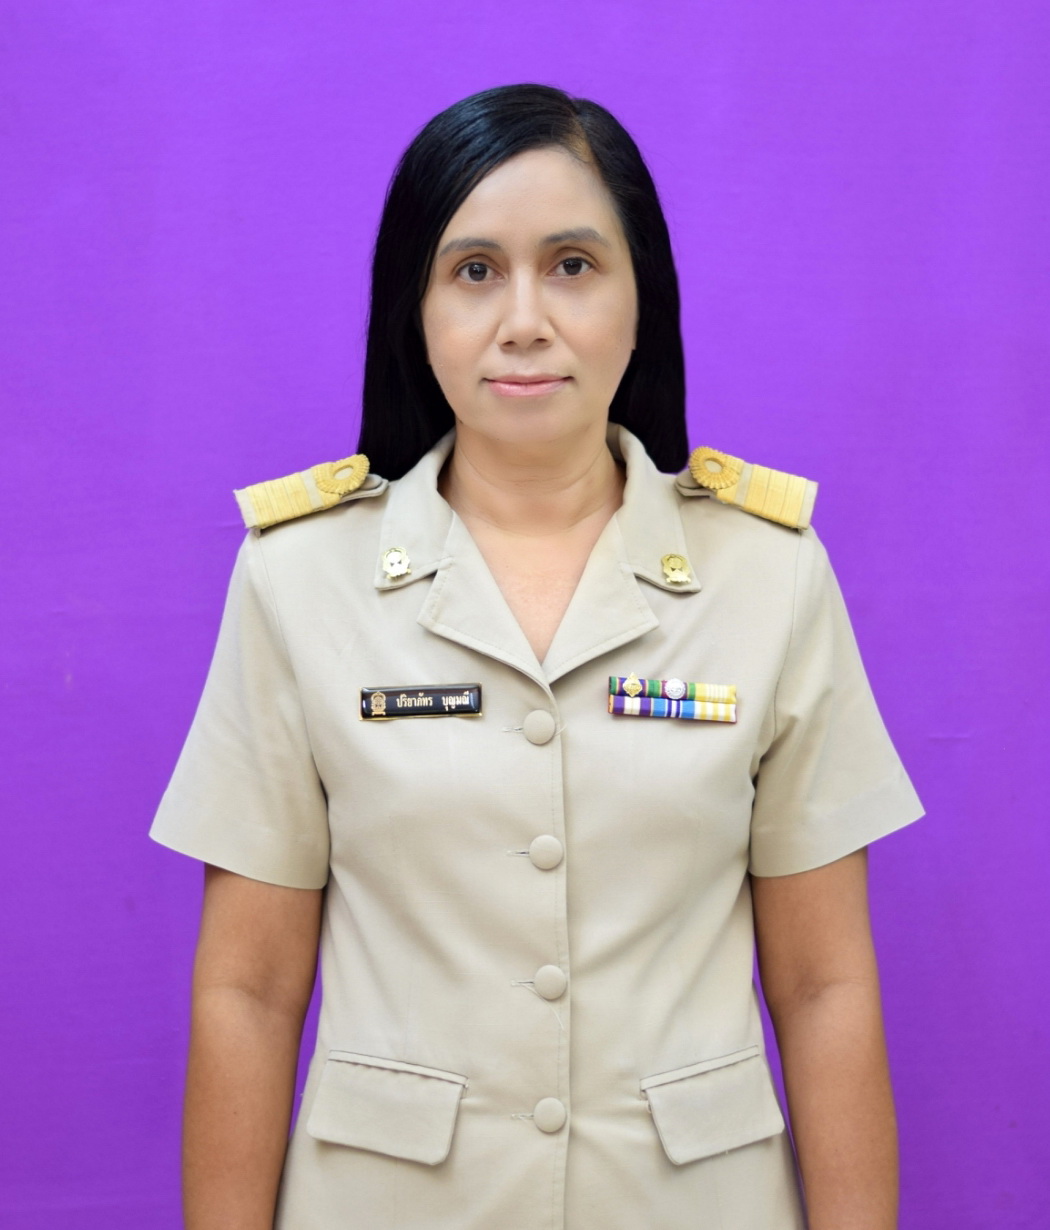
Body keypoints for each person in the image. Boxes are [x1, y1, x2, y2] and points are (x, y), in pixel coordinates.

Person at [150, 83, 924, 1230]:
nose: (524, 320)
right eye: (474, 271)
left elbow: (823, 988)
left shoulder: (771, 577)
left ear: (641, 296)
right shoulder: (297, 580)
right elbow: (251, 991)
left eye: (572, 265)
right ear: (414, 307)